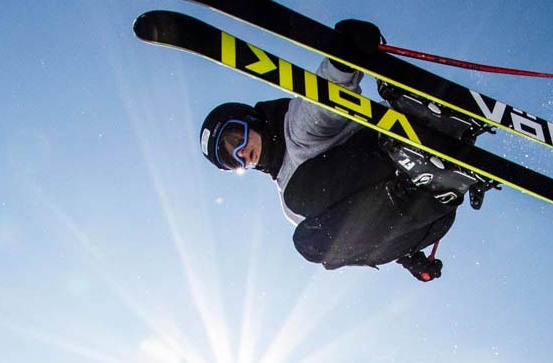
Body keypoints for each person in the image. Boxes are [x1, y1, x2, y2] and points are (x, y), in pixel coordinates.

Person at [198, 19, 466, 282]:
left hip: (400, 150)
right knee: (311, 242)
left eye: (236, 139)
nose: (241, 154)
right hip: (432, 215)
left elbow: (326, 96)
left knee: (299, 198)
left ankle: (413, 141)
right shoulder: (286, 196)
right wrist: (408, 257)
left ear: (249, 119)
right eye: (231, 160)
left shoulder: (296, 128)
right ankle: (429, 184)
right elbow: (360, 229)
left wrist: (344, 57)